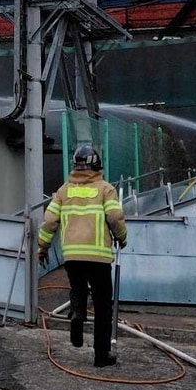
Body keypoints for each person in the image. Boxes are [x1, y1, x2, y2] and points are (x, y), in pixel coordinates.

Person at [37, 144, 128, 368]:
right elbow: (115, 217)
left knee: (77, 289)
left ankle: (77, 312)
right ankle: (101, 355)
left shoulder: (63, 191)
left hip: (72, 256)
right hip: (98, 257)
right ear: (97, 165)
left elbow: (49, 221)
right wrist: (122, 237)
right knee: (103, 306)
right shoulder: (105, 189)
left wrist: (43, 246)